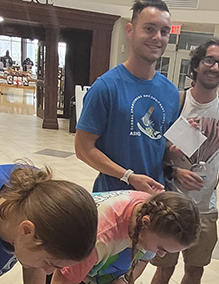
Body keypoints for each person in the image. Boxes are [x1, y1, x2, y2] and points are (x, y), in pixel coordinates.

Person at [148, 38, 219, 284]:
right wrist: (175, 170)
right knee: (163, 269)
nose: (214, 67)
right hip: (169, 202)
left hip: (205, 206)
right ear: (198, 65)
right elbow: (152, 150)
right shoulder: (174, 103)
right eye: (209, 60)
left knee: (195, 268)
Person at [46, 191, 200, 284]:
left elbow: (144, 258)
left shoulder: (155, 215)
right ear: (144, 223)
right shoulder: (99, 237)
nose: (161, 255)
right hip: (61, 275)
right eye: (161, 248)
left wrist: (122, 282)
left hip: (97, 274)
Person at [74, 0, 179, 194]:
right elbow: (83, 149)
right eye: (149, 29)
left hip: (153, 200)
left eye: (165, 32)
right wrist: (128, 176)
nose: (158, 37)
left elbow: (160, 145)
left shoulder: (171, 92)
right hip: (112, 197)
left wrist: (175, 153)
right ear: (130, 30)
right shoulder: (106, 87)